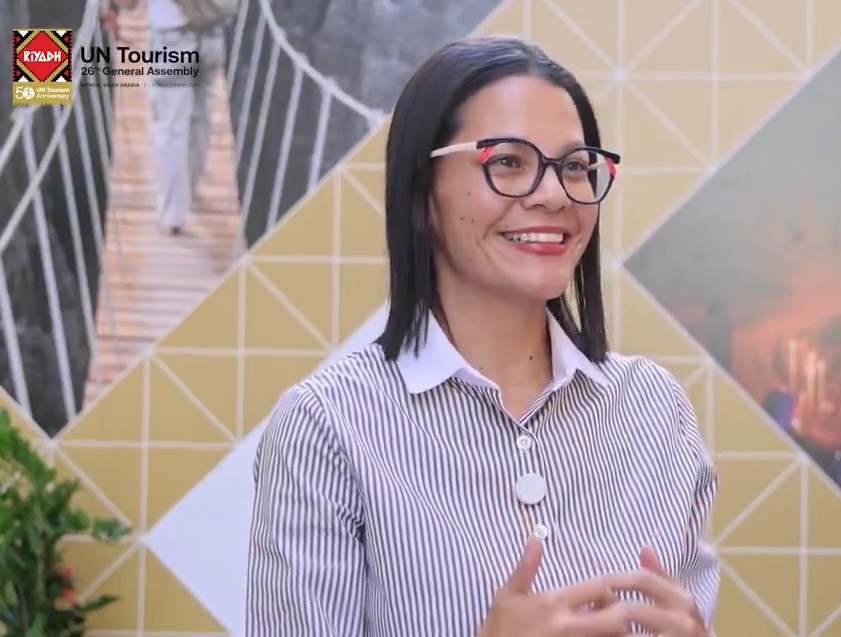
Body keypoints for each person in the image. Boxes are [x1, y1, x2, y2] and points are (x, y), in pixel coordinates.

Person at [245, 35, 719, 637]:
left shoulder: (654, 408)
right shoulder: (328, 424)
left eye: (575, 167)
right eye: (509, 162)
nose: (554, 195)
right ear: (422, 190)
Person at [112, 0, 227, 235]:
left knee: (46, 107)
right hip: (209, 29)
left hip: (171, 35)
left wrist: (102, 7)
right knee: (198, 115)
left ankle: (44, 189)